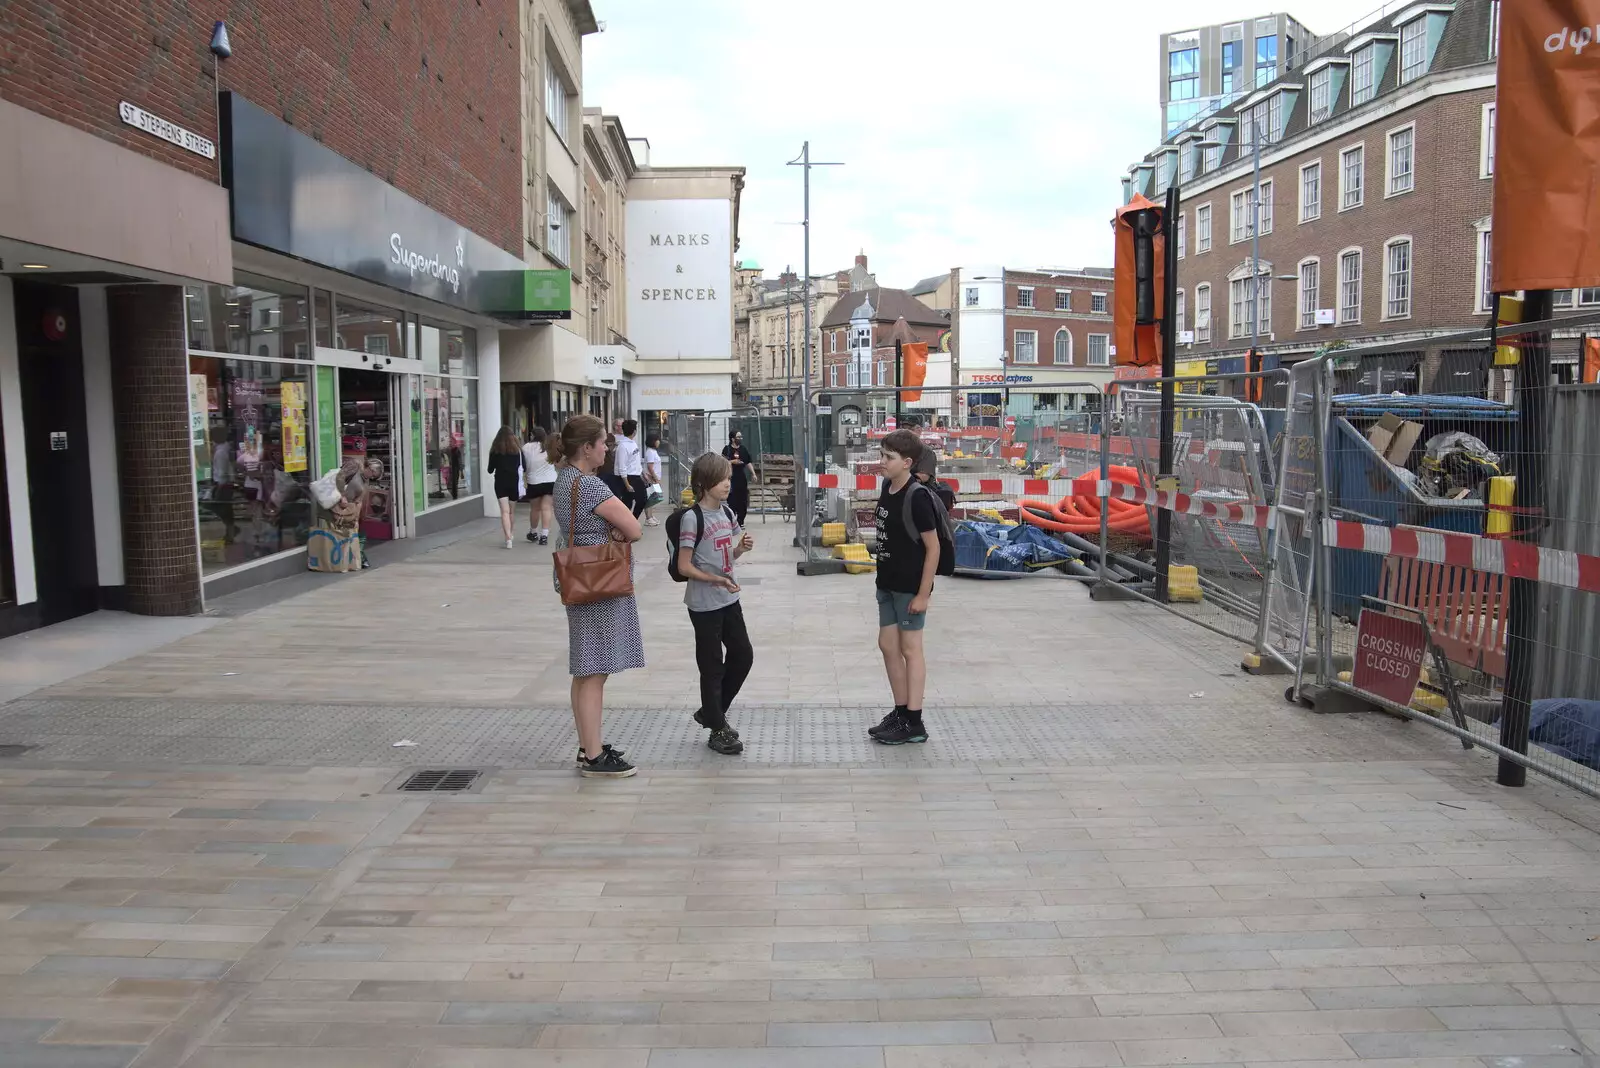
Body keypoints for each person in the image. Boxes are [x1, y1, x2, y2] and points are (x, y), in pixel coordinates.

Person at [549, 414, 645, 778]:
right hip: (599, 583)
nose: (608, 448)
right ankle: (593, 755)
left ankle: (588, 743)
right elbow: (634, 529)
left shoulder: (565, 480)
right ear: (586, 448)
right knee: (595, 672)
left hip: (580, 580)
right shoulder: (590, 485)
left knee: (585, 669)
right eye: (603, 442)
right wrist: (618, 534)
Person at [676, 453, 754, 756]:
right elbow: (684, 566)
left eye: (730, 480)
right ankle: (718, 728)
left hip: (729, 598)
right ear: (705, 483)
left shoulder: (727, 513)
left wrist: (740, 549)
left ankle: (713, 712)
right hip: (704, 604)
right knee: (711, 667)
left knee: (743, 656)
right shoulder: (691, 518)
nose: (728, 485)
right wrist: (714, 579)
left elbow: (727, 557)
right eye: (723, 480)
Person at [868, 429, 941, 746]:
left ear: (907, 462)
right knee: (887, 645)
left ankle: (914, 720)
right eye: (881, 455)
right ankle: (900, 711)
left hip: (909, 588)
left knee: (911, 650)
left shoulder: (918, 496)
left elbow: (933, 548)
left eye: (888, 457)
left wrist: (923, 595)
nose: (881, 462)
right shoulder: (888, 487)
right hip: (886, 583)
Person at [486, 426, 522, 549]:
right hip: (514, 482)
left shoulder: (495, 451)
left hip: (500, 482)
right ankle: (511, 534)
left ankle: (508, 539)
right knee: (511, 511)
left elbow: (490, 470)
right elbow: (522, 466)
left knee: (504, 512)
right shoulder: (517, 451)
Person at [522, 426, 557, 545]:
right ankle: (544, 535)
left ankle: (533, 532)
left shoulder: (526, 447)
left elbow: (524, 464)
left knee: (535, 509)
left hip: (534, 481)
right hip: (550, 481)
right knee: (547, 508)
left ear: (532, 435)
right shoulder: (549, 447)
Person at [615, 419, 647, 519]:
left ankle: (630, 521)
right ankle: (628, 523)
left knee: (639, 500)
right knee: (631, 502)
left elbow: (635, 461)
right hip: (628, 477)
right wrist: (627, 484)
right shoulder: (623, 446)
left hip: (636, 476)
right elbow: (622, 466)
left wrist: (643, 473)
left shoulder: (633, 443)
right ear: (634, 431)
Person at [722, 430, 755, 524]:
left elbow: (748, 462)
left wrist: (753, 473)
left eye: (741, 437)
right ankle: (732, 521)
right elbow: (723, 463)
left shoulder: (743, 449)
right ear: (732, 439)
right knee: (732, 500)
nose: (740, 439)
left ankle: (741, 521)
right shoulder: (727, 449)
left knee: (743, 500)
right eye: (738, 437)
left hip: (741, 477)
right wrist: (732, 462)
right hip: (731, 477)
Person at [643, 435, 664, 527]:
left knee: (653, 498)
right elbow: (650, 467)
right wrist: (655, 478)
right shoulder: (650, 452)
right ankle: (648, 518)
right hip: (651, 478)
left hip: (654, 477)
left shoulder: (653, 451)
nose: (658, 442)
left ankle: (650, 516)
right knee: (650, 498)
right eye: (657, 440)